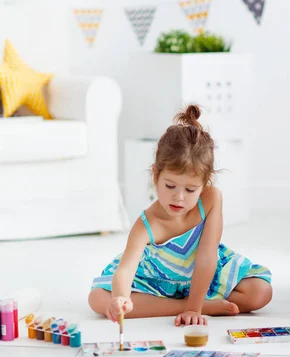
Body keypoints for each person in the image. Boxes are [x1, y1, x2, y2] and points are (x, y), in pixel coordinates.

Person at [88, 105, 272, 326]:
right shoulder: (146, 224)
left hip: (203, 275)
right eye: (170, 186)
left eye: (190, 190)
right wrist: (120, 298)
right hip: (156, 280)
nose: (179, 198)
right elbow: (125, 270)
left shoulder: (211, 199)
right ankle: (194, 306)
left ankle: (194, 302)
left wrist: (195, 308)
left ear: (204, 184)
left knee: (260, 292)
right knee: (98, 299)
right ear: (155, 174)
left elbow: (207, 256)